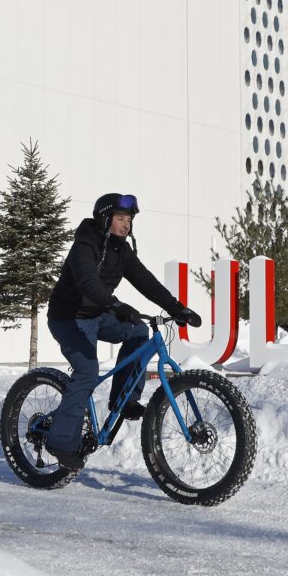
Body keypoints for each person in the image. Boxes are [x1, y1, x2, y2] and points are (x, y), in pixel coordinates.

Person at [44, 193, 202, 471]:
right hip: (68, 318)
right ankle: (60, 442)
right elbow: (86, 281)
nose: (126, 224)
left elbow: (145, 280)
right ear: (105, 219)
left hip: (98, 313)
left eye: (129, 219)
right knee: (87, 372)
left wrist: (177, 308)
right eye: (120, 218)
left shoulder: (121, 249)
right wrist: (116, 304)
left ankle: (124, 399)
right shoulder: (85, 244)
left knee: (138, 332)